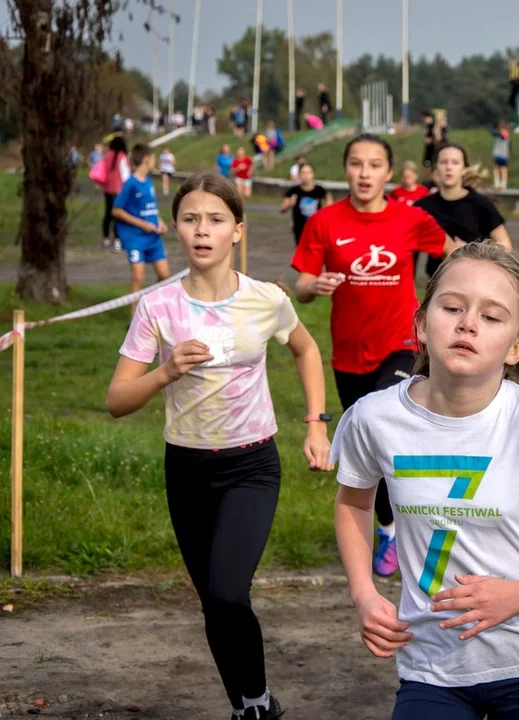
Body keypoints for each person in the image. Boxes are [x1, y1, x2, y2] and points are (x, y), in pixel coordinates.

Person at [333, 241, 519, 720]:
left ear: (517, 347)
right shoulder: (373, 418)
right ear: (420, 324)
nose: (467, 323)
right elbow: (354, 504)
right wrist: (364, 593)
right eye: (452, 307)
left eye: (492, 317)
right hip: (431, 666)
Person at [107, 172, 332, 720]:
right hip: (185, 466)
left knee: (230, 592)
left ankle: (254, 702)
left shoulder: (267, 299)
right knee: (213, 600)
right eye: (190, 219)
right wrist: (163, 373)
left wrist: (316, 423)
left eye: (214, 220)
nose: (201, 231)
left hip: (251, 464)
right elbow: (116, 400)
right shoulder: (156, 306)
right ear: (177, 228)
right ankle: (249, 704)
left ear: (237, 229)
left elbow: (305, 350)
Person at [291, 133, 464, 578]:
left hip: (402, 345)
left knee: (392, 425)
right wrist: (315, 285)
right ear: (345, 169)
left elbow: (455, 253)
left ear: (389, 173)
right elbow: (301, 285)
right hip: (349, 354)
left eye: (373, 165)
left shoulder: (411, 218)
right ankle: (389, 528)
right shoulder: (325, 222)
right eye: (355, 164)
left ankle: (427, 529)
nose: (364, 173)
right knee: (373, 448)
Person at [415, 142, 512, 279]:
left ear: (464, 169)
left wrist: (472, 251)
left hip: (476, 279)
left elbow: (505, 245)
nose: (449, 167)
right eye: (443, 162)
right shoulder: (422, 207)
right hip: (438, 282)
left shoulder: (480, 204)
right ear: (436, 168)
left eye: (455, 162)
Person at [111, 144, 171, 296]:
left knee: (164, 275)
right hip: (135, 237)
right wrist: (142, 224)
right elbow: (116, 210)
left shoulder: (149, 181)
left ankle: (152, 306)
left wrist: (160, 222)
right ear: (146, 159)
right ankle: (134, 317)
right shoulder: (130, 184)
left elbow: (150, 207)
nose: (155, 161)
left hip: (153, 237)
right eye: (153, 158)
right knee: (138, 276)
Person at [281, 162, 332, 246]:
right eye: (303, 173)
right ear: (299, 175)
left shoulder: (319, 190)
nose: (306, 176)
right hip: (299, 228)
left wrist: (326, 212)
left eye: (308, 172)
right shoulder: (294, 191)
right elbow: (282, 209)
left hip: (316, 228)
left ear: (313, 174)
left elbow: (329, 203)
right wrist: (289, 204)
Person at [101, 135, 130, 252]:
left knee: (108, 215)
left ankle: (106, 240)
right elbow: (125, 175)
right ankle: (117, 241)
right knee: (118, 216)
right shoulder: (123, 157)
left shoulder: (107, 156)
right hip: (119, 191)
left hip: (108, 189)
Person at [490, 121, 511, 190]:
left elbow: (495, 133)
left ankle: (498, 184)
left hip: (498, 154)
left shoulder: (501, 133)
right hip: (505, 155)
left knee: (498, 169)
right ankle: (502, 184)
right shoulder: (507, 134)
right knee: (503, 169)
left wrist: (491, 128)